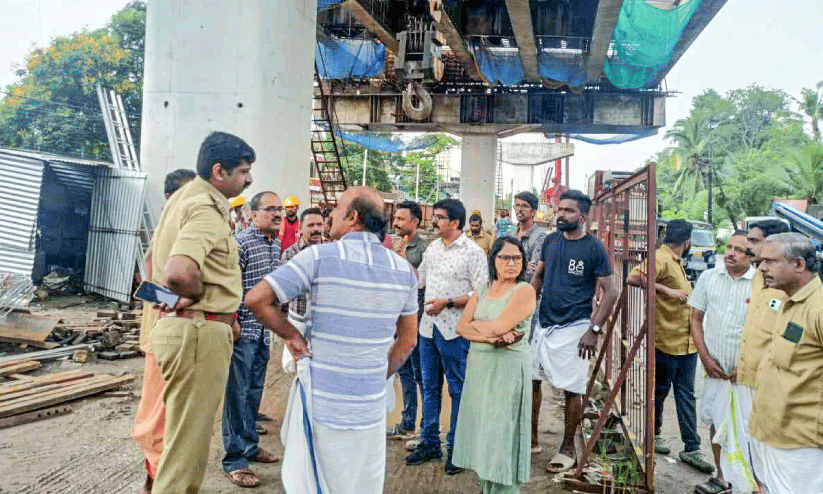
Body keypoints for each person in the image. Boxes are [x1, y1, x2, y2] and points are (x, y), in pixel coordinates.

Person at [245, 186, 419, 494]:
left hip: (323, 401)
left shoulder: (318, 257)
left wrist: (293, 337)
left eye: (336, 210)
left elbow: (257, 299)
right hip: (370, 404)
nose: (330, 217)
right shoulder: (403, 270)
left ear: (353, 218)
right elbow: (408, 341)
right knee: (361, 483)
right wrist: (375, 374)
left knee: (316, 482)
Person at [148, 131, 254, 493]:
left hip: (188, 328)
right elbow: (179, 271)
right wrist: (194, 296)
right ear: (219, 171)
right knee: (186, 454)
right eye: (243, 171)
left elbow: (152, 262)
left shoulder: (181, 199)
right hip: (197, 332)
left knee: (179, 443)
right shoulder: (206, 208)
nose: (249, 179)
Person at [530, 190, 617, 474]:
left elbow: (610, 292)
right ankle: (531, 440)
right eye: (560, 209)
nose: (561, 214)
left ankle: (567, 446)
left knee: (572, 389)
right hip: (543, 323)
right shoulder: (551, 241)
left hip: (575, 327)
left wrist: (594, 329)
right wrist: (524, 308)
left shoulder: (594, 249)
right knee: (532, 382)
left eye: (568, 210)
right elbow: (539, 275)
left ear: (582, 215)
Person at [406, 198, 489, 475]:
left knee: (457, 390)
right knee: (429, 387)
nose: (435, 221)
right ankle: (429, 441)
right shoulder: (433, 248)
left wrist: (449, 302)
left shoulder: (473, 253)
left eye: (440, 217)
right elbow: (421, 281)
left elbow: (481, 295)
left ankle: (457, 447)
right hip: (428, 329)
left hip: (455, 330)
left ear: (455, 222)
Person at [627, 219, 713, 474]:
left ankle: (691, 447)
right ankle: (656, 435)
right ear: (687, 242)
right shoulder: (662, 258)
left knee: (684, 394)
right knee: (662, 390)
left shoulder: (672, 259)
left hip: (686, 342)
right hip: (667, 340)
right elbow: (633, 278)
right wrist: (667, 291)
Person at [452, 237, 536, 494]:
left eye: (517, 258)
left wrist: (478, 326)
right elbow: (460, 327)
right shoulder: (482, 289)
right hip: (480, 369)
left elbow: (497, 326)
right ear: (494, 260)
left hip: (507, 371)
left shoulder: (524, 290)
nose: (512, 263)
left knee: (503, 434)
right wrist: (491, 337)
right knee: (485, 431)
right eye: (505, 257)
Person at [131, 168, 195, 494]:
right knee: (160, 418)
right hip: (162, 341)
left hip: (173, 339)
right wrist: (179, 302)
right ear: (170, 199)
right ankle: (154, 483)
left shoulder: (177, 232)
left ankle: (156, 480)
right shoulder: (167, 235)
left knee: (171, 417)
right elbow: (143, 285)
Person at [748, 233, 823, 494]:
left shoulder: (819, 308)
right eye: (761, 261)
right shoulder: (788, 301)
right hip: (773, 432)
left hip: (801, 445)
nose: (762, 268)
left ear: (799, 265)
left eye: (771, 261)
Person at [221, 191, 284, 487]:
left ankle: (249, 446)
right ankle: (235, 460)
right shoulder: (242, 243)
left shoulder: (275, 245)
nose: (277, 214)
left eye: (279, 209)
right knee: (237, 393)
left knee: (254, 391)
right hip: (243, 330)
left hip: (263, 332)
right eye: (270, 209)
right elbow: (230, 287)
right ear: (253, 212)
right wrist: (232, 321)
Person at [688, 232, 756, 494]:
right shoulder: (709, 278)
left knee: (747, 428)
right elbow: (695, 318)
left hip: (746, 375)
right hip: (714, 369)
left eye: (739, 250)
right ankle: (721, 477)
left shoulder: (761, 284)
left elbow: (767, 331)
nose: (730, 253)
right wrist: (704, 358)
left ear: (752, 256)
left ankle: (749, 483)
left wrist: (748, 364)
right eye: (728, 247)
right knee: (718, 423)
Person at [387, 201, 428, 439]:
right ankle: (408, 422)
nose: (396, 223)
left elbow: (424, 282)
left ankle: (426, 426)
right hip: (397, 318)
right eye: (395, 218)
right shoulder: (392, 245)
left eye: (401, 219)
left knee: (421, 374)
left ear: (415, 222)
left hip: (417, 320)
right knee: (404, 372)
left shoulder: (423, 249)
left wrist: (402, 259)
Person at [512, 191, 548, 455]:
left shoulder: (540, 237)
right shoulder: (512, 234)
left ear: (534, 211)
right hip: (508, 302)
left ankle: (532, 435)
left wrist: (515, 264)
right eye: (517, 206)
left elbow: (533, 271)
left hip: (531, 306)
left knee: (530, 372)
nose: (519, 210)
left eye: (524, 206)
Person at [279, 206, 325, 365]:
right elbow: (284, 293)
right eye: (311, 225)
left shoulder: (331, 252)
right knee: (299, 367)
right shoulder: (291, 254)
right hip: (298, 321)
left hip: (324, 322)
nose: (316, 229)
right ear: (300, 228)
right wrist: (286, 331)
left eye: (319, 225)